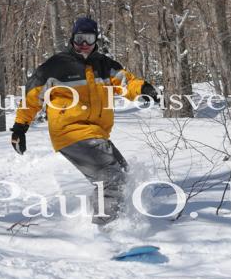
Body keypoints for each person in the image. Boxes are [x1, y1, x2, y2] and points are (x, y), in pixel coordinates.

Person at [10, 17, 159, 226]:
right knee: (111, 177)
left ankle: (99, 219)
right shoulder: (56, 66)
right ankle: (106, 229)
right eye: (80, 38)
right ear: (72, 38)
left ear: (95, 39)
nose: (84, 44)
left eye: (89, 39)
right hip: (69, 133)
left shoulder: (104, 65)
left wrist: (143, 89)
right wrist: (20, 127)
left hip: (96, 133)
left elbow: (126, 82)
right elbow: (32, 97)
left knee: (124, 174)